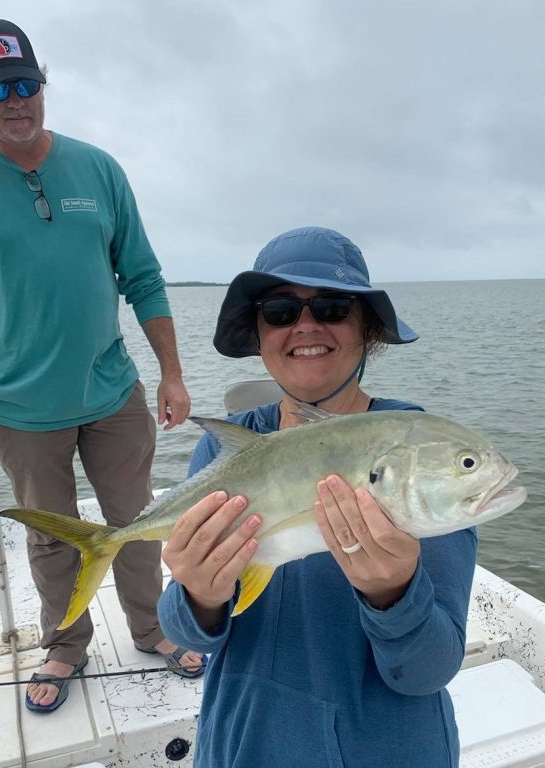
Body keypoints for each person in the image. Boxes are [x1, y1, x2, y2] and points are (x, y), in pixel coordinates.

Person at [0, 17, 204, 713]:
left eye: (25, 85)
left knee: (137, 521)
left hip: (111, 393)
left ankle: (151, 627)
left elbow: (144, 277)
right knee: (51, 537)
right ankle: (64, 645)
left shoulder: (98, 169)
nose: (14, 102)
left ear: (43, 85)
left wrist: (172, 371)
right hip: (22, 406)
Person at [157, 226, 477, 767]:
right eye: (280, 310)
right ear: (258, 335)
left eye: (331, 307)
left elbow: (428, 670)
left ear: (366, 330)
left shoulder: (417, 454)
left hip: (381, 748)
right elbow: (188, 632)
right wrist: (199, 595)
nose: (306, 325)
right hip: (242, 741)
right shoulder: (226, 446)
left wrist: (393, 595)